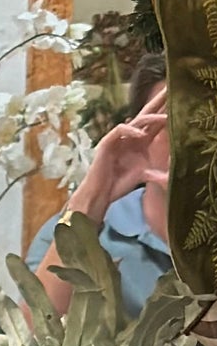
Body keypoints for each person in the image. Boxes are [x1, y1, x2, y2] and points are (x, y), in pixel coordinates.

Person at [30, 52, 171, 313]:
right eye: (171, 124)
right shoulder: (68, 231)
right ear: (133, 133)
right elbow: (32, 332)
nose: (192, 140)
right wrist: (90, 205)